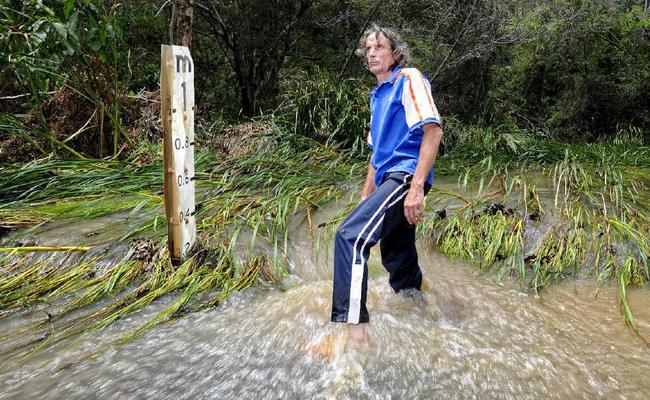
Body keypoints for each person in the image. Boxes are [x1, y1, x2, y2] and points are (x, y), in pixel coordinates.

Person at [330, 24, 443, 348]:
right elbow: (375, 152)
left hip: (406, 176)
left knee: (350, 238)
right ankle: (425, 314)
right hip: (388, 179)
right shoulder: (377, 95)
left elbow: (432, 131)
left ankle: (355, 333)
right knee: (398, 258)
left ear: (395, 53)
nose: (372, 53)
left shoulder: (408, 79)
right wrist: (367, 193)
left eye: (379, 47)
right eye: (368, 49)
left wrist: (417, 188)